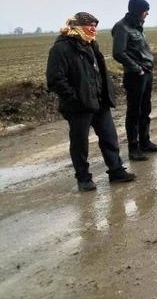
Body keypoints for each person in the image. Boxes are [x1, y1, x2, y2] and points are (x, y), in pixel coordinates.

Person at [46, 12, 136, 191]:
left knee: (110, 138)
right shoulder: (61, 48)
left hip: (99, 102)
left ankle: (116, 171)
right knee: (80, 144)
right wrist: (74, 98)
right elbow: (55, 79)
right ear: (77, 27)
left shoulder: (91, 44)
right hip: (78, 106)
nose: (94, 29)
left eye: (95, 25)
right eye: (90, 25)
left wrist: (105, 92)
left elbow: (98, 72)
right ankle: (84, 178)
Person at [112, 0, 157, 162]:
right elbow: (118, 53)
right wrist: (137, 68)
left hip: (146, 72)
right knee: (134, 112)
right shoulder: (122, 28)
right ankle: (133, 148)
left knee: (145, 109)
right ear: (137, 11)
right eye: (145, 10)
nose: (147, 13)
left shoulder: (138, 26)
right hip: (135, 75)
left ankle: (145, 142)